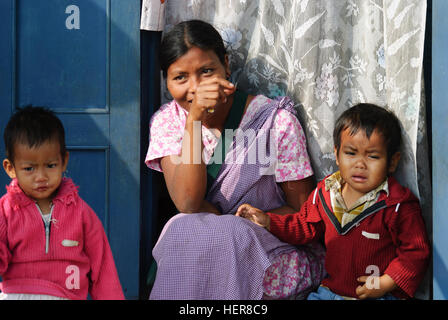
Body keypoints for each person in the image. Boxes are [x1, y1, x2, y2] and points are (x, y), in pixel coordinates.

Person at [145, 19, 325, 299]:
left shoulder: (275, 122)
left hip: (273, 251)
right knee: (180, 226)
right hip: (203, 251)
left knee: (223, 236)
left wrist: (245, 224)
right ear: (166, 81)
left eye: (206, 71)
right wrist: (194, 119)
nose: (195, 87)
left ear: (226, 65)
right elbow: (188, 202)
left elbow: (303, 217)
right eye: (180, 77)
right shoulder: (168, 122)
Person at [237, 103, 431, 300]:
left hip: (377, 295)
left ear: (392, 162)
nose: (360, 164)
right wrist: (269, 221)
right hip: (331, 292)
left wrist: (387, 282)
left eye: (373, 156)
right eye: (351, 153)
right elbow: (304, 225)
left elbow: (415, 252)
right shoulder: (326, 193)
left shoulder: (397, 205)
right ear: (337, 154)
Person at [0, 106, 124, 300]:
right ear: (11, 168)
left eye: (50, 165)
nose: (41, 177)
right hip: (17, 295)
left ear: (64, 161)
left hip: (67, 295)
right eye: (29, 168)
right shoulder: (5, 211)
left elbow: (103, 268)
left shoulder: (81, 212)